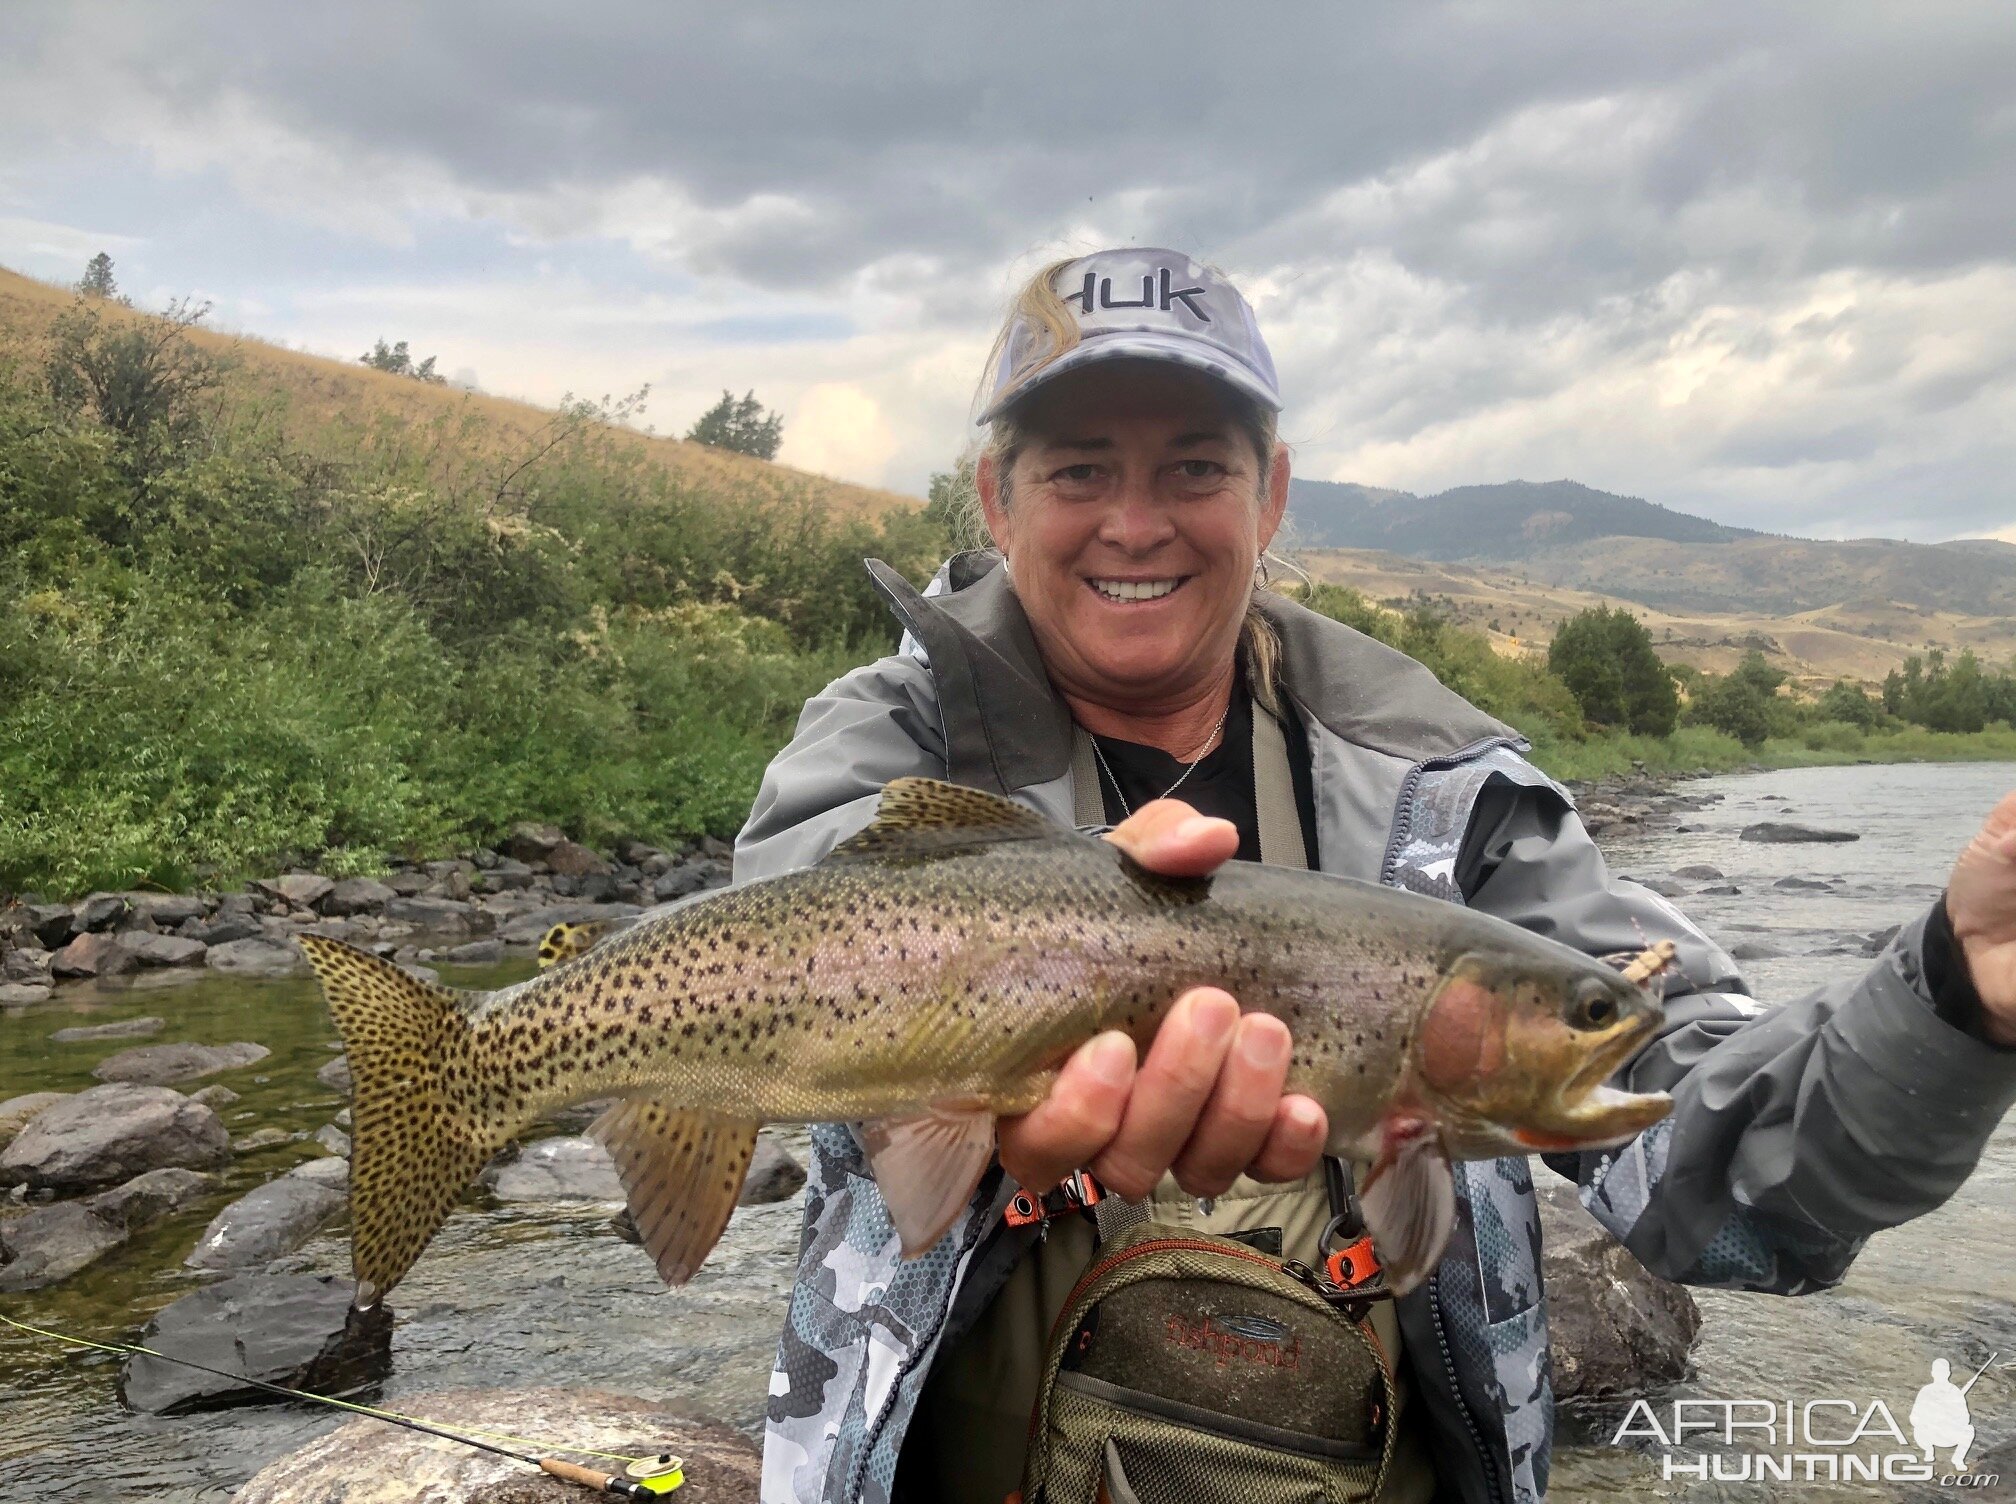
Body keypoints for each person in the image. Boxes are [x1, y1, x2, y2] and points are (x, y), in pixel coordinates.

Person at [737, 247, 2016, 1504]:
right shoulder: (891, 737)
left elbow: (1738, 1197)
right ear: (999, 499)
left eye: (1195, 467)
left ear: (1272, 496)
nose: (1137, 522)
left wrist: (1952, 998)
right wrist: (1038, 937)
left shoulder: (1450, 796)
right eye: (1080, 470)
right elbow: (782, 921)